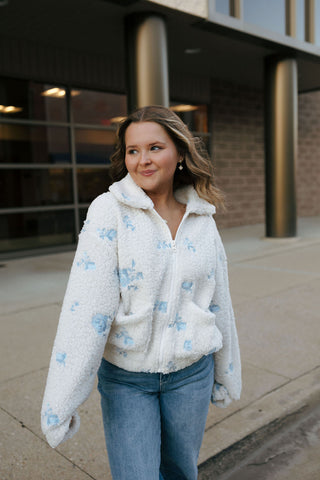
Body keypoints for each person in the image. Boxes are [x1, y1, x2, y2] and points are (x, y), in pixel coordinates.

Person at [41, 105, 241, 480]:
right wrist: (61, 399)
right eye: (133, 151)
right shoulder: (110, 211)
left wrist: (226, 372)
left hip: (190, 375)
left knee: (181, 471)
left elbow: (218, 300)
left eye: (154, 148)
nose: (142, 160)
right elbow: (86, 309)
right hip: (127, 379)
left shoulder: (201, 217)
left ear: (180, 153)